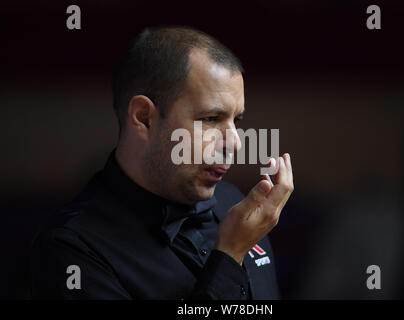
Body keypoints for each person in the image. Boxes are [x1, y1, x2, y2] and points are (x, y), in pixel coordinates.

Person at [30, 26, 294, 299]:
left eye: (236, 121)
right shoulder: (71, 251)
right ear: (144, 118)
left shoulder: (237, 206)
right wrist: (229, 255)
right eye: (211, 119)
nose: (235, 143)